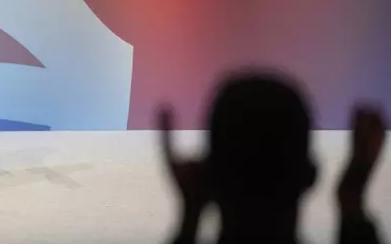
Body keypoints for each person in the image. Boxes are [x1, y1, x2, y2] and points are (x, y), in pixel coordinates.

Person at [158, 69, 385, 243]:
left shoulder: (204, 187)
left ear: (206, 176)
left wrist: (189, 221)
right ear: (310, 176)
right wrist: (352, 199)